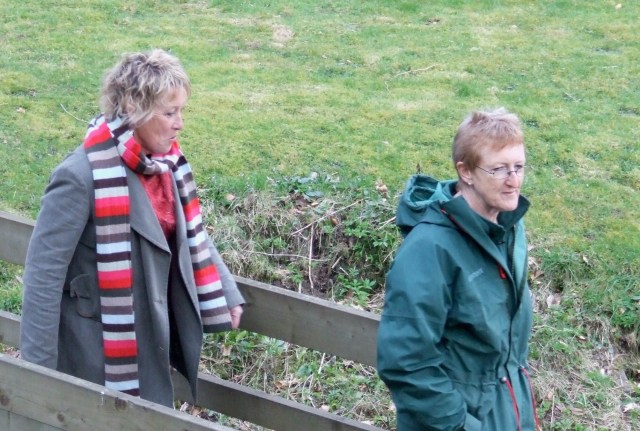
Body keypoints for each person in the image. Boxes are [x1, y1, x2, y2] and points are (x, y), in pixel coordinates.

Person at [20, 49, 244, 407]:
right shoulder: (79, 177)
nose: (180, 124)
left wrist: (226, 290)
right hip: (96, 355)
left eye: (181, 111)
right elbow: (42, 277)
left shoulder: (166, 164)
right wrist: (38, 376)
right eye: (169, 113)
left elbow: (191, 232)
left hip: (154, 338)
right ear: (133, 108)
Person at [377, 108, 541, 431]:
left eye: (518, 166)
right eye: (499, 169)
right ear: (465, 172)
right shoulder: (429, 249)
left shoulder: (509, 230)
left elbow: (505, 358)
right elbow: (406, 362)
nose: (514, 181)